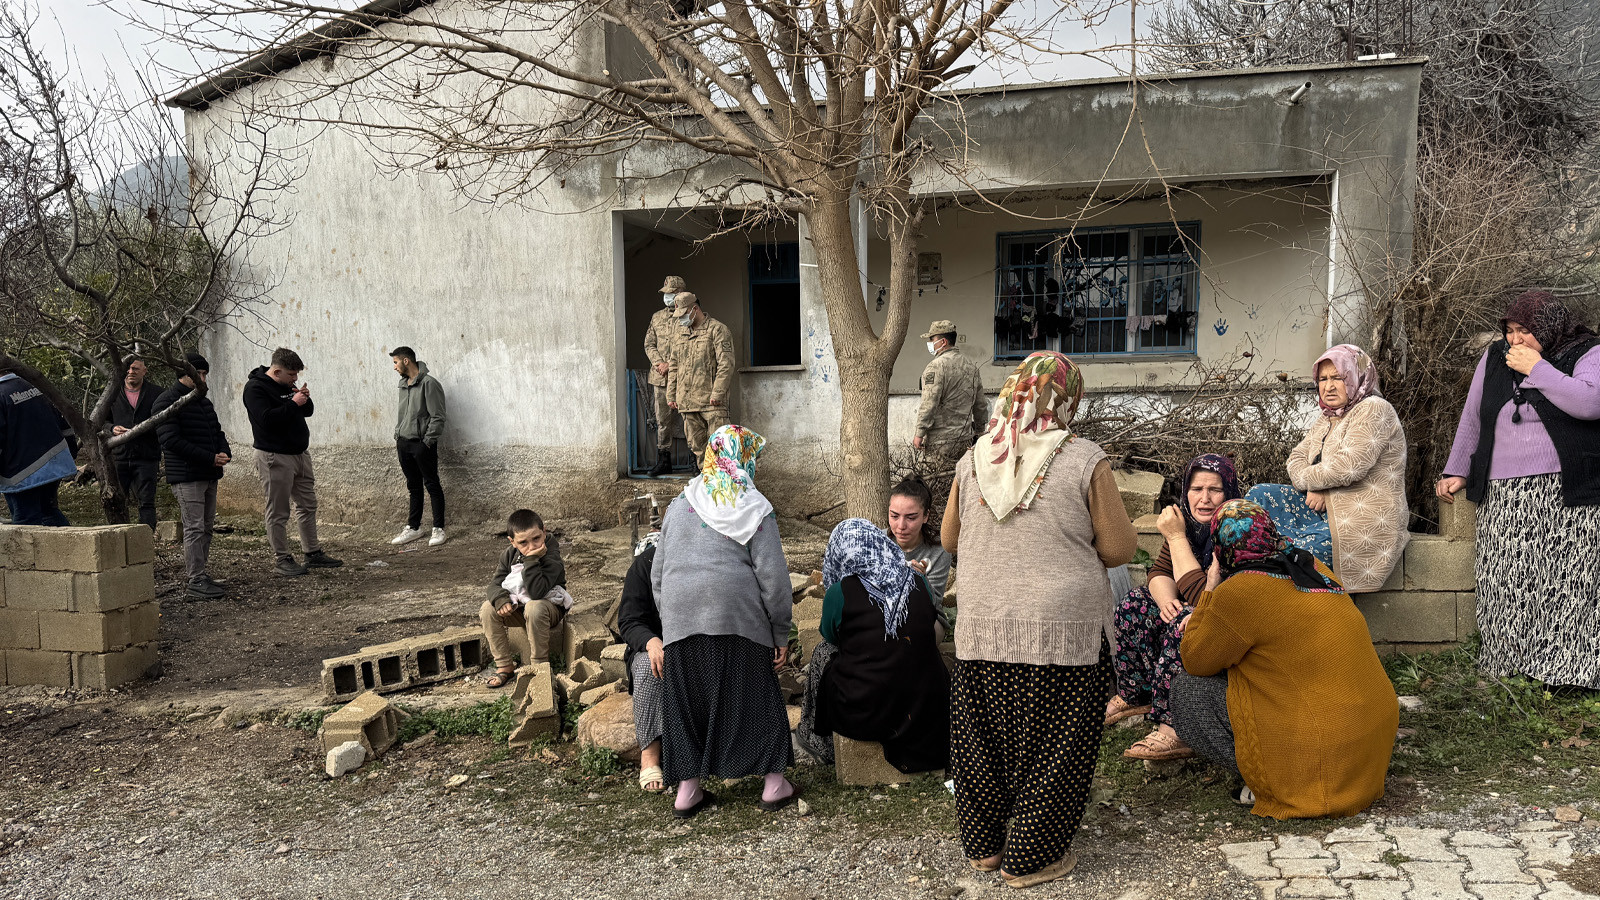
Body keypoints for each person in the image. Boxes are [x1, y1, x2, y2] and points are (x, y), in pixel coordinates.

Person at [940, 350, 1137, 889]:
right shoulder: (1082, 457)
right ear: (1065, 398)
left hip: (982, 626)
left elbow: (950, 539)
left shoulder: (975, 456)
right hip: (1060, 632)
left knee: (983, 741)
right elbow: (1119, 547)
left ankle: (984, 848)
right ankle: (1031, 858)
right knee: (1057, 745)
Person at [1172, 499, 1397, 819]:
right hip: (1370, 748)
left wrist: (1209, 590)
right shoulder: (1311, 565)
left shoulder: (1239, 591)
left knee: (1188, 690)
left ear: (1220, 549)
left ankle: (1272, 780)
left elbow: (1195, 659)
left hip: (1324, 762)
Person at [1436, 290, 1600, 689]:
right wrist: (1457, 468)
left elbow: (1590, 403)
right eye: (1510, 331)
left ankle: (1567, 673)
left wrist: (1538, 368)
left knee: (1566, 582)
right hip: (1504, 489)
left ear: (1548, 328)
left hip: (1568, 486)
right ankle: (1510, 664)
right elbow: (1473, 416)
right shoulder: (1494, 358)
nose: (1515, 340)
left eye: (1525, 331)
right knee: (1507, 579)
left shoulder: (1587, 351)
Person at [651, 425, 794, 819]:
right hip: (736, 617)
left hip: (681, 620)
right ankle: (773, 784)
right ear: (743, 458)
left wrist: (673, 621)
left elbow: (658, 574)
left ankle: (687, 790)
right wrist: (779, 632)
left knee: (687, 705)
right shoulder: (754, 507)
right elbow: (774, 580)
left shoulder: (681, 503)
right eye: (755, 459)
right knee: (755, 698)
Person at [1245, 344, 1408, 592]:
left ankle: (1269, 571)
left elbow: (1349, 467)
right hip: (1323, 509)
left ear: (1356, 377)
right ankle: (1251, 562)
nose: (1328, 386)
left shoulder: (1375, 409)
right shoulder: (1328, 416)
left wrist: (1321, 487)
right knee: (1259, 496)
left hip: (1359, 516)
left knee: (1299, 552)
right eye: (1322, 378)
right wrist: (1314, 484)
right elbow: (1296, 457)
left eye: (1338, 378)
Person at [794, 518, 951, 773]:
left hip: (866, 713)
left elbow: (831, 636)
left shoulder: (841, 591)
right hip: (924, 707)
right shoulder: (918, 580)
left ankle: (817, 739)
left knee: (823, 652)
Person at [1112, 453, 1241, 762]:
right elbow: (1158, 572)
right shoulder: (1191, 524)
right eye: (1197, 489)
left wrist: (1175, 535)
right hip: (1197, 607)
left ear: (1229, 492)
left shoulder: (1236, 530)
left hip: (1228, 626)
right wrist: (1165, 600)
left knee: (1184, 621)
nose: (1204, 499)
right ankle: (1136, 694)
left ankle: (1174, 728)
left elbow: (1201, 598)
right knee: (1134, 605)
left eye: (1215, 490)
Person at [242, 347, 342, 577]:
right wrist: (293, 403)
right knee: (278, 510)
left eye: (297, 374)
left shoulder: (287, 386)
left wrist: (303, 398)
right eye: (291, 374)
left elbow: (307, 412)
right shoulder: (255, 389)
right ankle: (282, 559)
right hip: (274, 456)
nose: (295, 378)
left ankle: (313, 552)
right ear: (276, 371)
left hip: (299, 454)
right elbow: (267, 420)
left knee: (308, 504)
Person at [153, 354, 231, 600]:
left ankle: (201, 573)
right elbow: (171, 441)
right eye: (199, 374)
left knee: (206, 527)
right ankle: (195, 579)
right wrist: (210, 457)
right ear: (184, 374)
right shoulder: (166, 401)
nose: (203, 379)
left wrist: (224, 452)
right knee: (194, 527)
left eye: (205, 374)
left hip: (208, 473)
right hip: (187, 476)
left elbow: (217, 431)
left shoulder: (203, 402)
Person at [481, 508, 573, 687]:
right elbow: (494, 585)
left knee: (534, 607)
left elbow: (537, 592)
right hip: (520, 609)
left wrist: (531, 560)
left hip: (548, 609)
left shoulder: (552, 554)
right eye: (523, 542)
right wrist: (501, 599)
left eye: (536, 538)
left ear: (544, 532)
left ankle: (539, 667)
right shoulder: (509, 555)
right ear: (512, 542)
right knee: (488, 608)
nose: (532, 546)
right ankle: (504, 666)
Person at [617, 531, 668, 793]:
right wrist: (651, 641)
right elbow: (629, 620)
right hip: (652, 647)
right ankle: (649, 756)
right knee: (650, 668)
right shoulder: (645, 565)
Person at [0, 367, 78, 527]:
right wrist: (71, 452)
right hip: (54, 464)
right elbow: (64, 422)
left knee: (25, 523)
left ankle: (30, 553)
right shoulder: (34, 385)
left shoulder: (1, 393)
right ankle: (69, 548)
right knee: (48, 512)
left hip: (21, 473)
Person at [388, 346, 448, 547]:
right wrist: (398, 435)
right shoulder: (403, 384)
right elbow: (403, 415)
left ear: (406, 361)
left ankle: (438, 529)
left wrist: (427, 442)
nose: (394, 367)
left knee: (432, 484)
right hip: (403, 443)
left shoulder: (429, 384)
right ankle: (414, 527)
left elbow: (438, 416)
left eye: (396, 362)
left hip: (422, 444)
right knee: (413, 486)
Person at [665, 292, 734, 461]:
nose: (681, 319)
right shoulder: (680, 335)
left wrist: (718, 393)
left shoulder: (717, 330)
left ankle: (722, 485)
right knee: (698, 449)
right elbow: (673, 366)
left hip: (711, 403)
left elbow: (726, 364)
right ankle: (707, 483)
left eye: (683, 314)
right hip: (687, 402)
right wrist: (671, 394)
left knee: (719, 449)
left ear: (694, 309)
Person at [886, 476, 953, 637]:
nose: (901, 526)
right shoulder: (878, 542)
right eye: (894, 516)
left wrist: (921, 581)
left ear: (925, 516)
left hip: (927, 617)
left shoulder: (939, 549)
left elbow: (934, 601)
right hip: (881, 614)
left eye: (911, 518)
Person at [913, 319, 988, 462]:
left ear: (943, 342)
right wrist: (979, 431)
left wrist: (919, 433)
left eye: (932, 339)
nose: (929, 343)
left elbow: (929, 404)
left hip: (941, 442)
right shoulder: (971, 367)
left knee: (936, 482)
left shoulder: (936, 367)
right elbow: (980, 404)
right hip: (965, 439)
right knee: (959, 481)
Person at [108, 357, 166, 530]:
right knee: (118, 500)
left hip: (147, 455)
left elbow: (163, 421)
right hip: (120, 455)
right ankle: (119, 536)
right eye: (128, 369)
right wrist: (112, 428)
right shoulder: (113, 394)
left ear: (144, 371)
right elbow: (100, 421)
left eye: (135, 369)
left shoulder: (157, 393)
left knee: (147, 501)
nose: (131, 372)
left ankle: (147, 540)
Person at [643, 276, 687, 476]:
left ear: (679, 293)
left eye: (670, 293)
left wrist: (672, 365)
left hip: (682, 377)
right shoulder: (656, 317)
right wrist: (659, 363)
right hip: (660, 377)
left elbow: (691, 345)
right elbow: (649, 344)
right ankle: (664, 460)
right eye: (666, 294)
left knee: (689, 417)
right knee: (663, 420)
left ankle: (696, 460)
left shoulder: (687, 315)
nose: (667, 297)